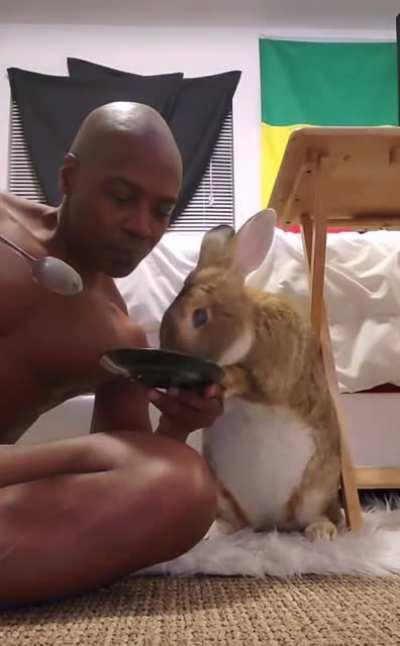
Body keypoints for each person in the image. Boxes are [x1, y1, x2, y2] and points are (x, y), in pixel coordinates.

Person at [0, 101, 223, 607]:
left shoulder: (118, 337)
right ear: (70, 176)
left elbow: (134, 470)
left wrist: (180, 424)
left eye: (163, 211)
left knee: (182, 485)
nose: (141, 227)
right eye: (121, 197)